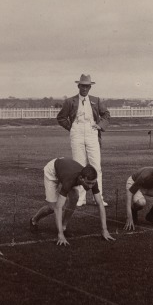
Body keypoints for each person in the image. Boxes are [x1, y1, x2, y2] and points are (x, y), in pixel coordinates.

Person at [29, 158, 115, 246]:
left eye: (92, 183)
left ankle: (63, 227)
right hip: (52, 171)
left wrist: (104, 230)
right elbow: (59, 207)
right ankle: (34, 220)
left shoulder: (92, 181)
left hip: (66, 170)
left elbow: (100, 204)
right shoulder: (69, 180)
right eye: (88, 183)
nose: (90, 187)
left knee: (74, 197)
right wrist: (60, 235)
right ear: (81, 178)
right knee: (52, 207)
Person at [57, 73, 110, 206]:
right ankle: (80, 198)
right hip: (77, 132)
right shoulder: (70, 101)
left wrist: (100, 125)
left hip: (92, 132)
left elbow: (106, 114)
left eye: (87, 86)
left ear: (90, 87)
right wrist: (71, 128)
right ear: (78, 86)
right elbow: (61, 117)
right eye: (82, 86)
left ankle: (98, 198)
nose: (85, 88)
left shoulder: (96, 100)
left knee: (96, 165)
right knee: (78, 165)